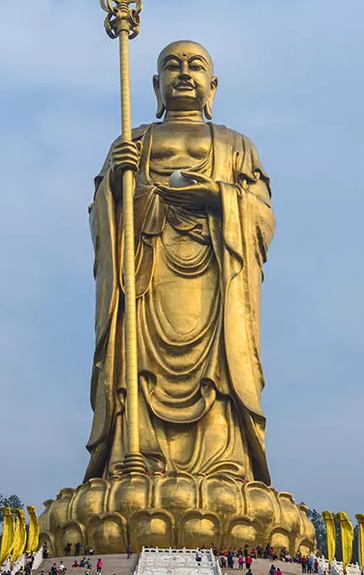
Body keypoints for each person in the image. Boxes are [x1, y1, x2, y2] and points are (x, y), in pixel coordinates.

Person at [84, 41, 275, 482]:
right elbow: (101, 221)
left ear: (213, 86)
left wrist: (219, 196)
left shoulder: (236, 146)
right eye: (172, 66)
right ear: (157, 86)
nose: (184, 73)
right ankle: (135, 460)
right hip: (146, 278)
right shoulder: (133, 143)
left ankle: (225, 465)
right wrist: (115, 186)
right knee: (137, 368)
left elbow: (262, 216)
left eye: (196, 66)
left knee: (220, 371)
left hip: (216, 278)